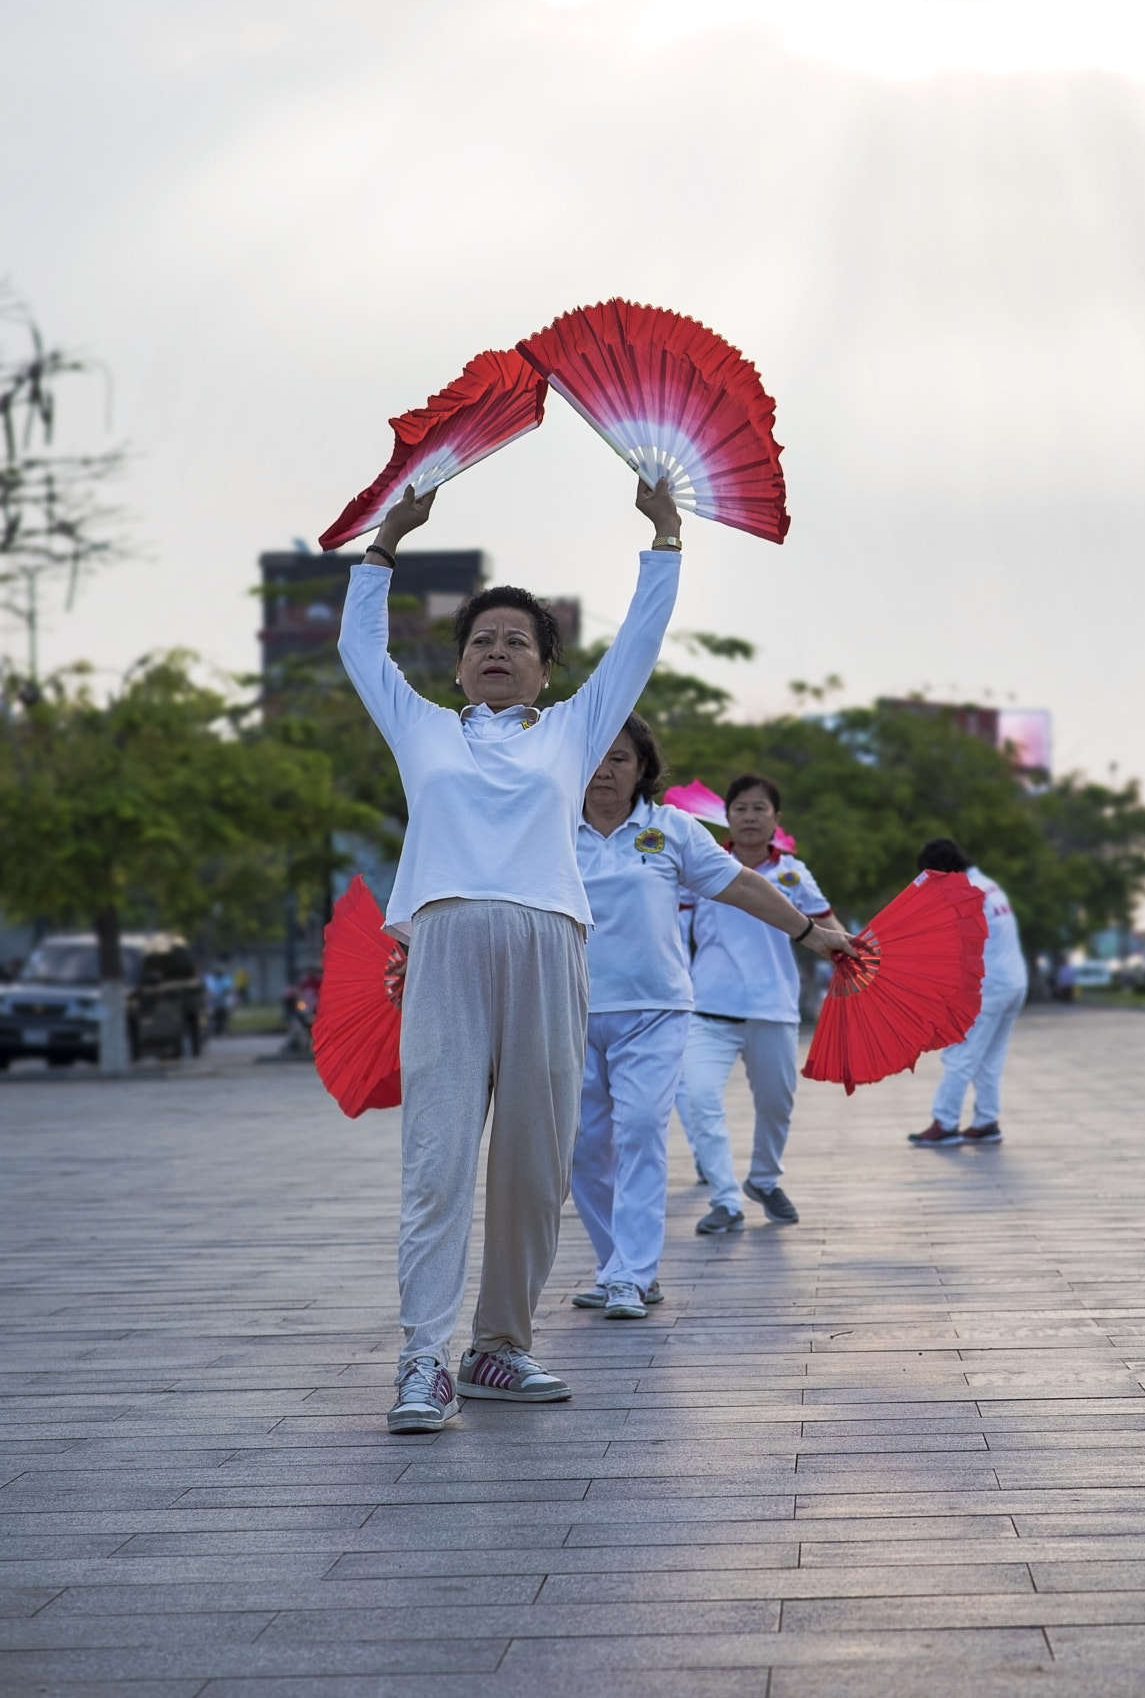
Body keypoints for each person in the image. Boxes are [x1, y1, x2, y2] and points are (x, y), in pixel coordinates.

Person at [338, 472, 684, 1433]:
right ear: (457, 668)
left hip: (548, 946)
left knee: (536, 1161)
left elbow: (640, 647)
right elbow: (357, 649)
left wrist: (663, 538)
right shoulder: (421, 729)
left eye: (516, 642)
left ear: (544, 668)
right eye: (481, 642)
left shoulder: (576, 732)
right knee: (438, 1157)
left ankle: (500, 1349)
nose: (497, 652)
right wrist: (384, 545)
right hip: (447, 942)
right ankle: (422, 1361)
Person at [571, 719, 853, 1319]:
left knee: (642, 1129)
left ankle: (632, 1275)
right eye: (594, 757)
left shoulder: (672, 829)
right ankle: (614, 1262)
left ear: (642, 768)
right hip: (567, 1010)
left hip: (656, 1011)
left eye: (619, 759)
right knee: (582, 1149)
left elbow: (742, 886)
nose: (604, 771)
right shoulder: (546, 829)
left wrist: (811, 933)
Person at [680, 774, 844, 1232]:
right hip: (708, 1008)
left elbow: (828, 927)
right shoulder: (701, 867)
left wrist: (855, 962)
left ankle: (765, 1180)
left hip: (773, 1007)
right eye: (741, 809)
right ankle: (726, 1199)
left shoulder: (793, 872)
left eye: (760, 809)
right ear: (725, 817)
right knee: (700, 1100)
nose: (750, 817)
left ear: (776, 820)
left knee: (776, 1104)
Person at [908, 836, 1029, 1148]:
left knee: (959, 1056)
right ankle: (986, 1121)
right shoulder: (987, 884)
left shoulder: (965, 893)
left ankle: (944, 1123)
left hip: (988, 988)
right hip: (1013, 983)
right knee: (989, 1058)